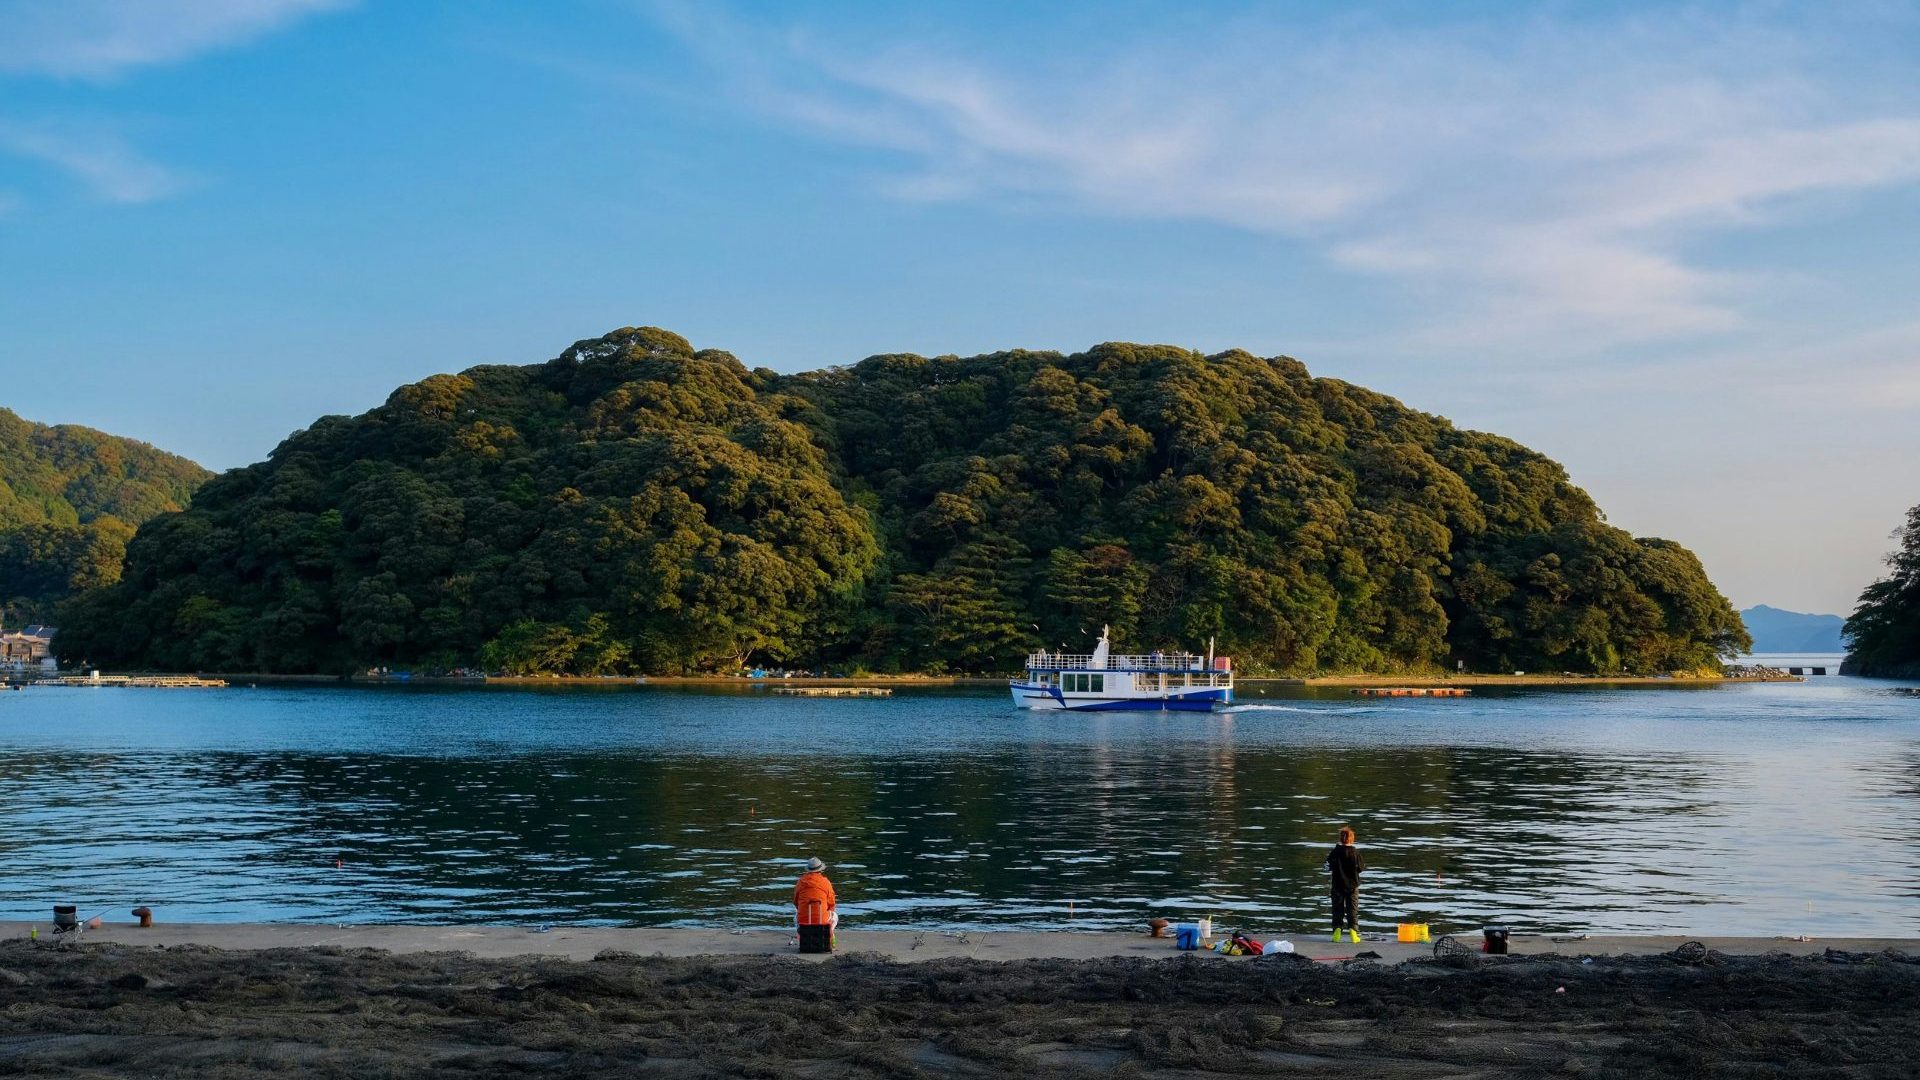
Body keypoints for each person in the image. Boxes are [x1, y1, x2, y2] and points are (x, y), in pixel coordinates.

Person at [1324, 826, 1365, 943]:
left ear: (1340, 839)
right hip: (1353, 886)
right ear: (1352, 839)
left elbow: (1326, 867)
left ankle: (1337, 933)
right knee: (1353, 910)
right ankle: (1353, 933)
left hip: (1337, 885)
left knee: (1337, 910)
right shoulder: (1356, 853)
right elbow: (1361, 868)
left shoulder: (1335, 852)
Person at [793, 856, 838, 952]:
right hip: (822, 920)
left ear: (808, 870)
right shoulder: (826, 882)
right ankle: (830, 934)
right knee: (835, 916)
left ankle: (802, 935)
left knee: (795, 916)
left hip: (804, 920)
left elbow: (796, 902)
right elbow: (832, 903)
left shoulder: (801, 881)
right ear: (820, 870)